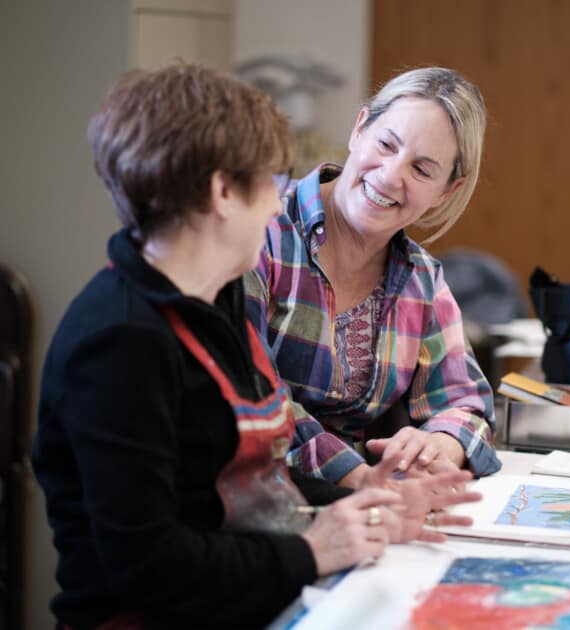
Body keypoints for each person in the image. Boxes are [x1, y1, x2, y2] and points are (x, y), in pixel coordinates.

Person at [31, 64, 481, 630]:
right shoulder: (118, 343)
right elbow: (147, 566)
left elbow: (243, 489)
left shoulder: (211, 301)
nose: (279, 207)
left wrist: (363, 505)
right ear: (223, 193)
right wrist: (316, 547)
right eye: (270, 186)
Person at [245, 66, 503, 492]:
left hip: (363, 503)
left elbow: (466, 402)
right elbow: (253, 396)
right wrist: (361, 477)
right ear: (360, 127)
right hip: (251, 506)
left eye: (422, 169)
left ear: (446, 191)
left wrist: (437, 446)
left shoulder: (421, 280)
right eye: (386, 144)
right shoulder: (259, 232)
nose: (390, 175)